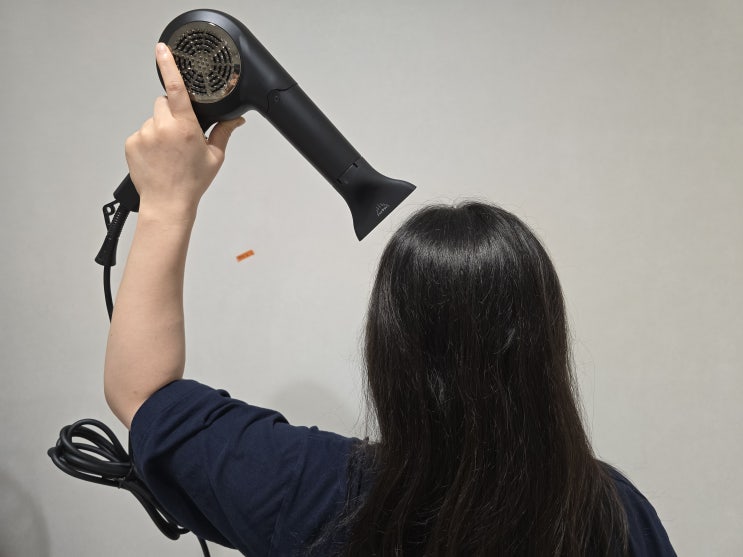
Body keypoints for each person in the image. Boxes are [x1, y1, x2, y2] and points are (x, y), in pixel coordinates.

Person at [104, 44, 677, 557]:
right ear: (545, 345)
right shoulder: (616, 519)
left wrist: (166, 202)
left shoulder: (316, 494)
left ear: (388, 348)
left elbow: (141, 393)